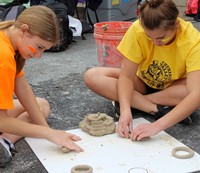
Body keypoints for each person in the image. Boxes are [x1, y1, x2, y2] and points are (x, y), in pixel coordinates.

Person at [84, 0, 200, 141]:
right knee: (92, 76)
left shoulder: (192, 39)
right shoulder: (137, 29)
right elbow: (126, 77)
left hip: (172, 88)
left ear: (176, 25)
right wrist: (125, 110)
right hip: (142, 83)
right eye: (149, 37)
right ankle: (157, 109)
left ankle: (136, 103)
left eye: (161, 38)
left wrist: (157, 126)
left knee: (192, 92)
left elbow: (195, 94)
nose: (155, 43)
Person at [0, 5, 83, 167]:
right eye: (39, 47)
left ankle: (3, 142)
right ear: (24, 30)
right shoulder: (3, 57)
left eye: (43, 50)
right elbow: (1, 121)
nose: (38, 56)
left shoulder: (9, 35)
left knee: (41, 105)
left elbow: (22, 89)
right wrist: (48, 133)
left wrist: (49, 132)